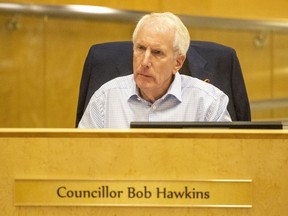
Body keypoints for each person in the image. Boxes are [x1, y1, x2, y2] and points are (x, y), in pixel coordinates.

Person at [78, 12, 231, 128]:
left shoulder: (209, 104)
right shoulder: (105, 99)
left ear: (178, 62)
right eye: (140, 48)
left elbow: (224, 163)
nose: (144, 62)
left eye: (157, 53)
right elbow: (81, 159)